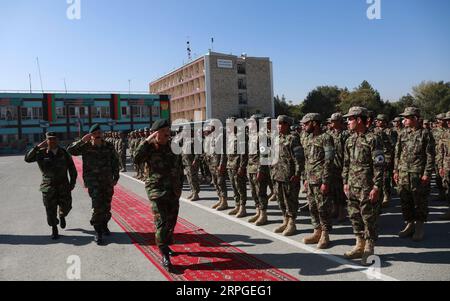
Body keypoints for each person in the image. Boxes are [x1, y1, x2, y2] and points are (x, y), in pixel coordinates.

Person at [133, 119, 183, 271]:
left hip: (173, 189)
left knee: (171, 221)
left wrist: (180, 186)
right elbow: (136, 158)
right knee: (161, 221)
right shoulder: (149, 148)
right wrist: (147, 141)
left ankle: (165, 245)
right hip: (156, 190)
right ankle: (164, 254)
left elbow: (179, 167)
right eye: (164, 131)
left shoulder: (173, 146)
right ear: (156, 133)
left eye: (168, 130)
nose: (168, 134)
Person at [342, 107, 384, 266]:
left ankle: (369, 247)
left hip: (367, 186)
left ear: (359, 120)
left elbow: (379, 165)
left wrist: (377, 186)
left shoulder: (373, 138)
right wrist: (345, 182)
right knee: (354, 216)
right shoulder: (350, 139)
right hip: (352, 185)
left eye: (350, 118)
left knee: (368, 217)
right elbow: (346, 164)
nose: (348, 121)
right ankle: (359, 244)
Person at [67, 124, 120, 245]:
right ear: (90, 136)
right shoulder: (85, 147)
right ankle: (98, 232)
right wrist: (82, 140)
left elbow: (115, 161)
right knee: (97, 206)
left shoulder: (108, 146)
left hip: (107, 180)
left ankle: (104, 224)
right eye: (95, 134)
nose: (97, 136)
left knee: (106, 206)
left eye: (99, 133)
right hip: (93, 181)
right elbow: (71, 151)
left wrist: (116, 176)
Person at [24, 132, 77, 240]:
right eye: (50, 139)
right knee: (50, 210)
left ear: (57, 140)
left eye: (54, 139)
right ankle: (54, 228)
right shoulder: (41, 153)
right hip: (48, 187)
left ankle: (62, 215)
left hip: (63, 186)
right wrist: (37, 147)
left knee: (67, 206)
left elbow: (72, 168)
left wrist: (72, 183)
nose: (52, 141)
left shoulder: (64, 153)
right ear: (46, 141)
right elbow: (27, 159)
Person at [394, 107, 435, 242]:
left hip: (418, 173)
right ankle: (409, 224)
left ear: (415, 118)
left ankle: (419, 226)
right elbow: (397, 153)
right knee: (405, 199)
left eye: (407, 118)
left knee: (419, 200)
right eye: (404, 118)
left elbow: (430, 156)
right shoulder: (402, 133)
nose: (404, 120)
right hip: (404, 171)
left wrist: (427, 173)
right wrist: (396, 170)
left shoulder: (425, 134)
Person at [301, 113, 335, 249]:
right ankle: (317, 231)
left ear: (314, 123)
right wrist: (305, 178)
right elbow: (306, 160)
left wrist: (326, 181)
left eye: (306, 123)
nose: (303, 126)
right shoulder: (308, 138)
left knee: (323, 208)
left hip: (321, 180)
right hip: (310, 179)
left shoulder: (326, 138)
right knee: (312, 207)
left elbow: (329, 160)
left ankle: (325, 234)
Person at [271, 115, 305, 236]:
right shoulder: (276, 138)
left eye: (281, 124)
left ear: (287, 125)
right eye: (278, 124)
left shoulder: (293, 139)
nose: (279, 126)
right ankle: (285, 219)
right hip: (277, 174)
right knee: (280, 199)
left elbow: (299, 158)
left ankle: (292, 222)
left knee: (290, 200)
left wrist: (297, 174)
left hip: (289, 175)